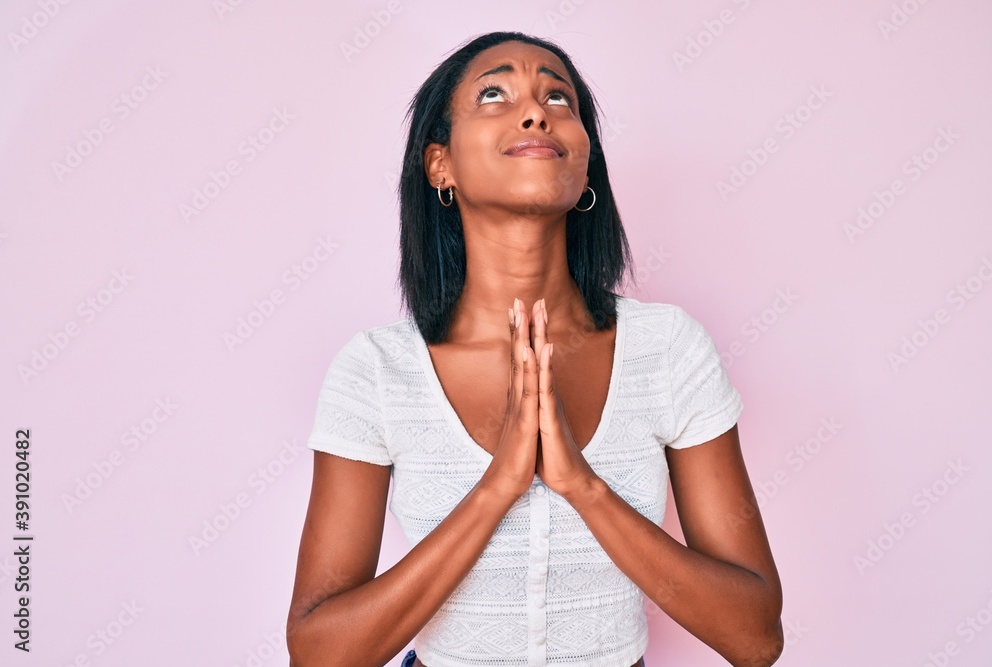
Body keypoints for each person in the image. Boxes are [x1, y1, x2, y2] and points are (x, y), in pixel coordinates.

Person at [286, 31, 783, 667]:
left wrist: (582, 485)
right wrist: (498, 487)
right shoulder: (378, 371)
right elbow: (319, 653)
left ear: (584, 166)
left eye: (558, 98)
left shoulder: (668, 349)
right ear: (440, 165)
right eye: (494, 94)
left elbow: (755, 638)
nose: (535, 113)